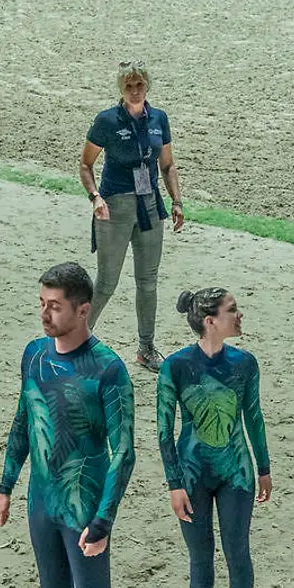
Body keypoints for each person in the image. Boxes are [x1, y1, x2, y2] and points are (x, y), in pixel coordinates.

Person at [0, 262, 136, 588]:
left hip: (83, 506)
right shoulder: (34, 355)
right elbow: (23, 420)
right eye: (42, 304)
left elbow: (124, 453)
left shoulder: (109, 370)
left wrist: (103, 519)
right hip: (42, 501)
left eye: (54, 306)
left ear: (83, 309)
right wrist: (6, 485)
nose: (45, 314)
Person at [157, 287, 272, 588]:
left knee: (237, 552)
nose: (240, 316)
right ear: (210, 321)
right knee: (199, 554)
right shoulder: (175, 366)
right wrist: (174, 484)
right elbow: (163, 431)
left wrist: (264, 468)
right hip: (191, 475)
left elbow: (254, 417)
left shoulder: (245, 363)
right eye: (232, 310)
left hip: (236, 473)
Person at [80, 60, 185, 373]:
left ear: (147, 86)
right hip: (114, 206)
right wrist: (95, 197)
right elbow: (85, 165)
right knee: (106, 282)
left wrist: (177, 201)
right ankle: (76, 342)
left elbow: (167, 165)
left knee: (148, 282)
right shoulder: (107, 121)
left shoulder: (159, 119)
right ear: (121, 89)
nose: (136, 91)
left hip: (149, 205)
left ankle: (146, 348)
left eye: (140, 85)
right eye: (129, 86)